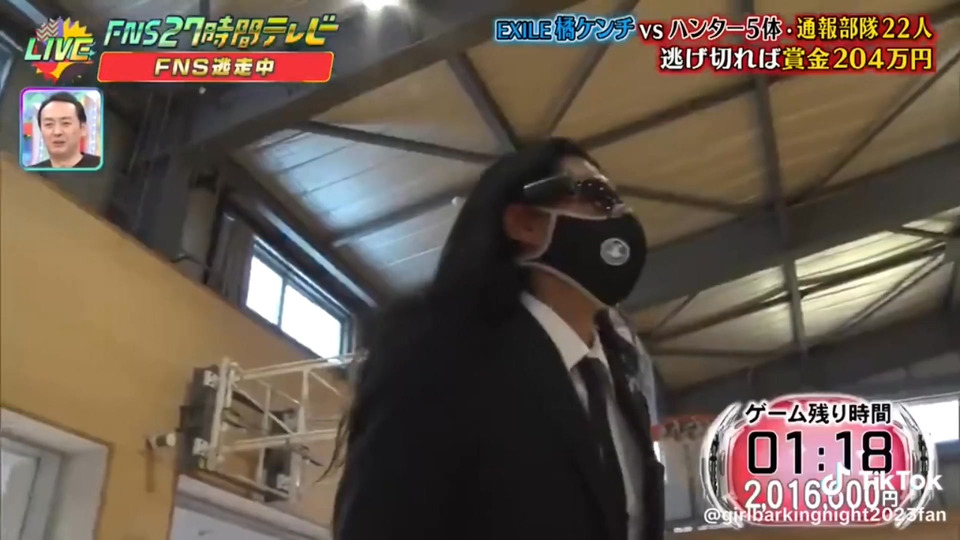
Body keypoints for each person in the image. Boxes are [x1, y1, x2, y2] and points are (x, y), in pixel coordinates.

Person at [331, 138, 664, 540]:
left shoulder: (625, 389)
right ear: (524, 223)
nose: (622, 216)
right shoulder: (438, 362)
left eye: (617, 201)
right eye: (597, 196)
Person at [31, 92, 101, 169]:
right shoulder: (31, 173)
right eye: (49, 124)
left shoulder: (102, 167)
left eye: (66, 123)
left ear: (83, 129)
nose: (57, 132)